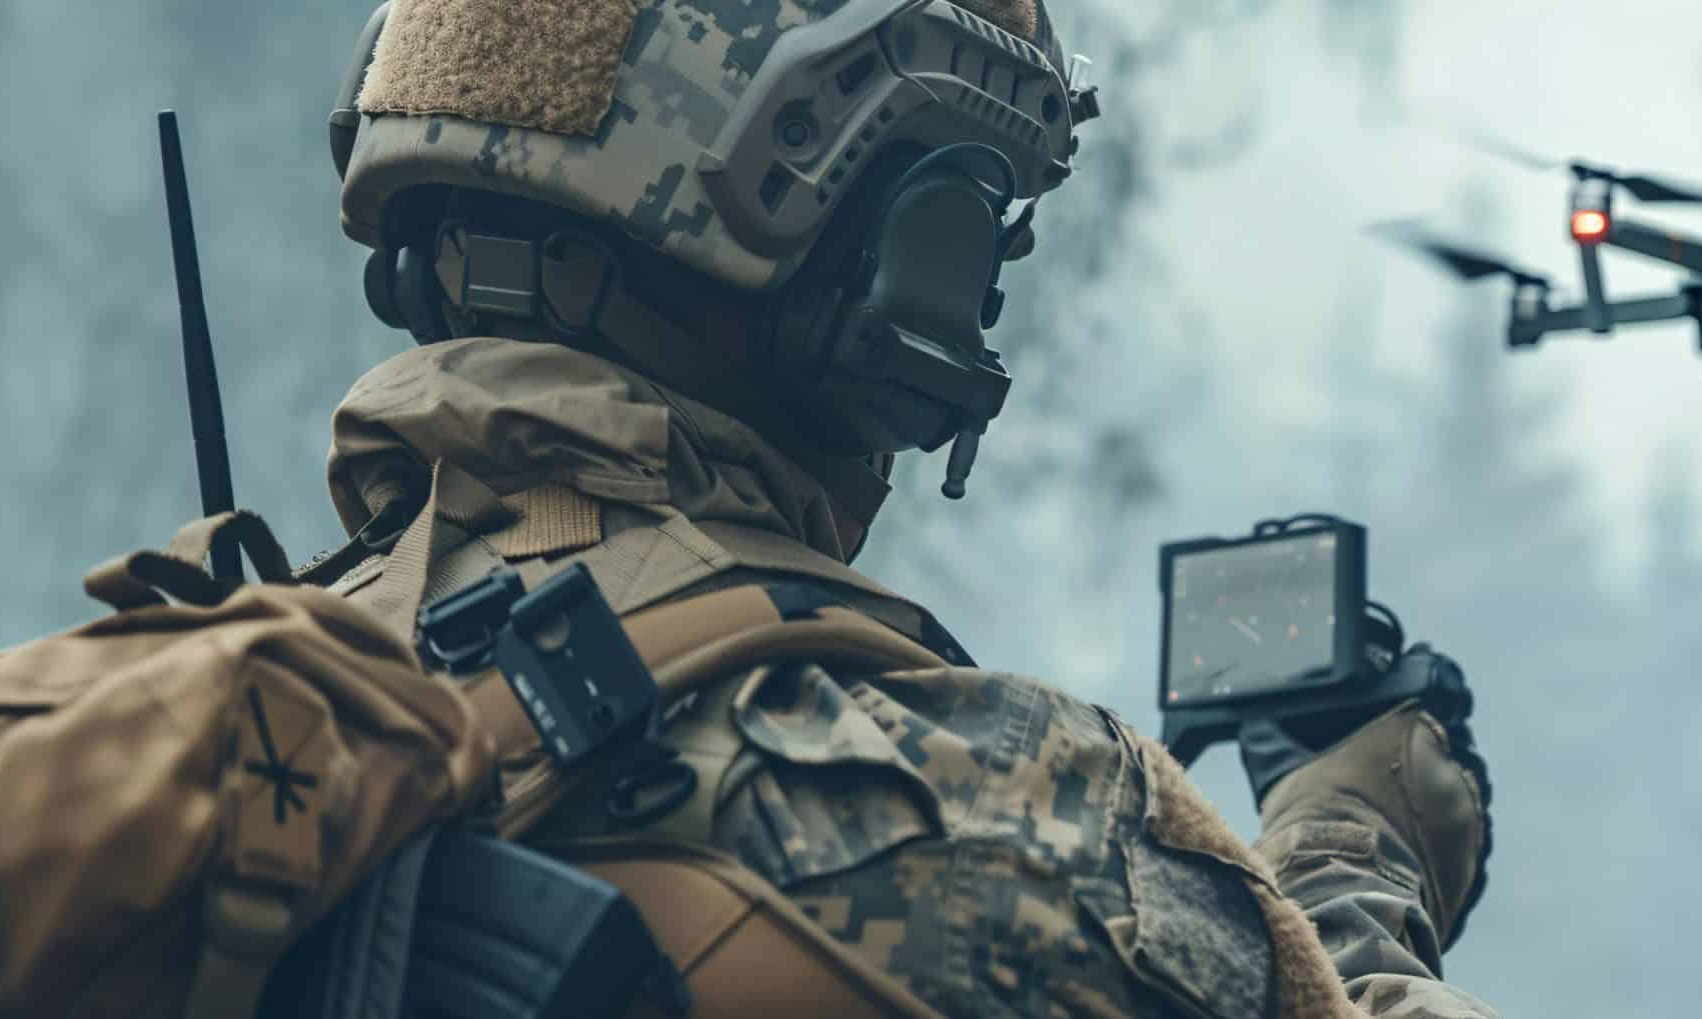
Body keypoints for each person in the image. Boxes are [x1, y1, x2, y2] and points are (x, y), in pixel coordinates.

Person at [312, 0, 1497, 1015]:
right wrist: (1349, 853)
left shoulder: (236, 689)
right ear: (901, 263)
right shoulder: (1002, 811)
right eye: (973, 218)